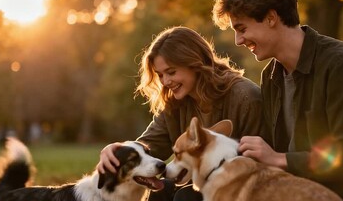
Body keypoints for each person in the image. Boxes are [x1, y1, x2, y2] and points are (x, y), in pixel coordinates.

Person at [212, 0, 343, 201]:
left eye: (242, 28)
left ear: (270, 18)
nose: (238, 40)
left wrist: (279, 158)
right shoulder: (271, 76)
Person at [97, 26, 264, 201]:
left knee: (186, 197)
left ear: (195, 63)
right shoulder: (176, 102)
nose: (166, 81)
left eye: (171, 72)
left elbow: (260, 165)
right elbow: (149, 146)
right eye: (160, 75)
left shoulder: (245, 98)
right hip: (202, 184)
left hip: (241, 189)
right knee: (160, 190)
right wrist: (116, 150)